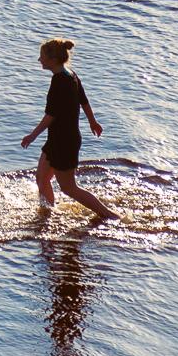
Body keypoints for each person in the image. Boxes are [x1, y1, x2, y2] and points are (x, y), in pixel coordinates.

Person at [20, 38, 118, 220]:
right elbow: (84, 100)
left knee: (68, 188)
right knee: (41, 178)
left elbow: (51, 115)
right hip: (58, 139)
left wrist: (32, 136)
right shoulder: (70, 74)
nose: (39, 60)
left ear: (53, 60)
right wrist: (92, 122)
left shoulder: (59, 82)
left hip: (65, 142)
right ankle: (47, 215)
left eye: (41, 57)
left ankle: (109, 215)